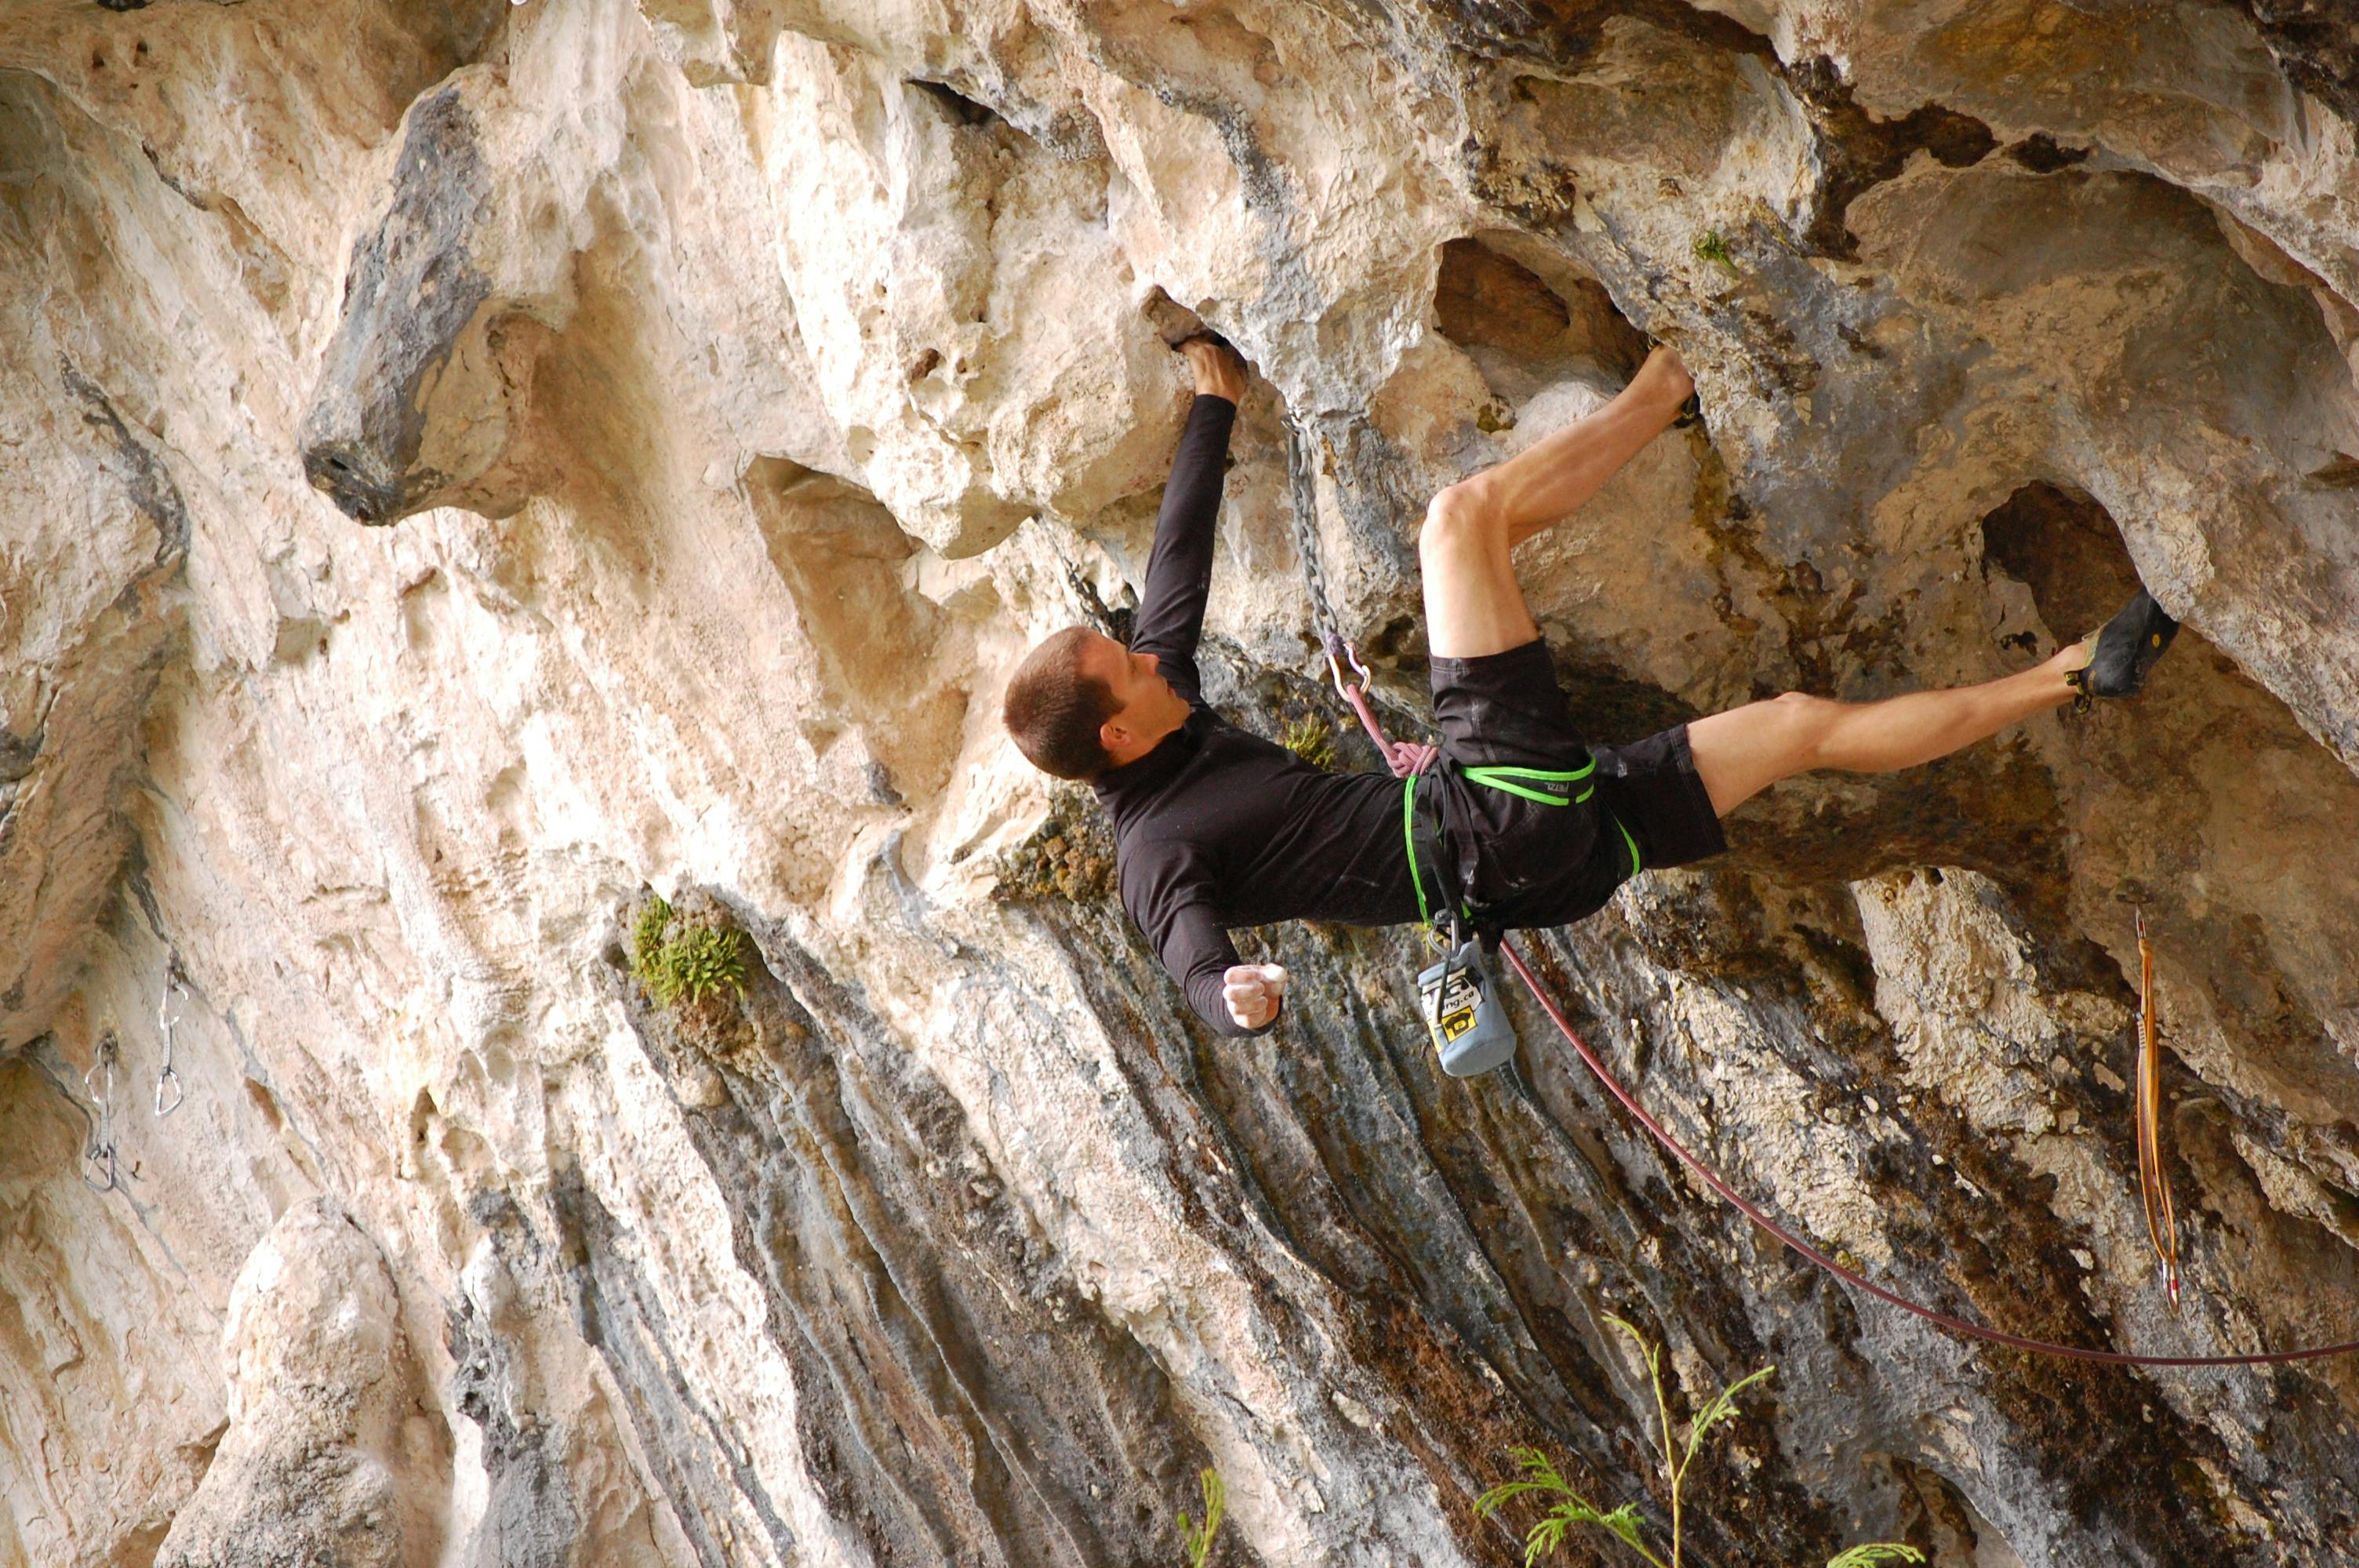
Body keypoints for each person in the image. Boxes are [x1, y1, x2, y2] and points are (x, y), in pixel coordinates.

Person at [1000, 333, 2177, 1037]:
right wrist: (1235, 997)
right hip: (1486, 816)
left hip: (1540, 870)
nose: (1152, 653)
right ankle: (1672, 382)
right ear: (1113, 738)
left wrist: (1213, 405)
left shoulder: (1162, 713)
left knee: (1801, 728)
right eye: (1130, 668)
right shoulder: (1155, 851)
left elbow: (1175, 573)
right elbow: (1189, 956)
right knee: (1461, 522)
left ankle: (2077, 674)